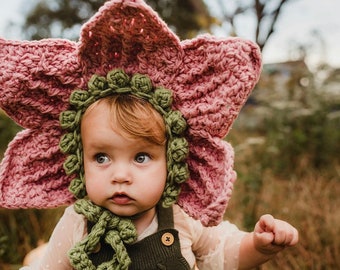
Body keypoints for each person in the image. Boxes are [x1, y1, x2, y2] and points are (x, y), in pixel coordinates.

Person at [0, 0, 298, 269]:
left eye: (141, 157)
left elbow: (224, 256)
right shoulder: (78, 225)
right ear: (78, 162)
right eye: (101, 157)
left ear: (173, 160)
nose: (120, 175)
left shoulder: (181, 217)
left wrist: (259, 247)